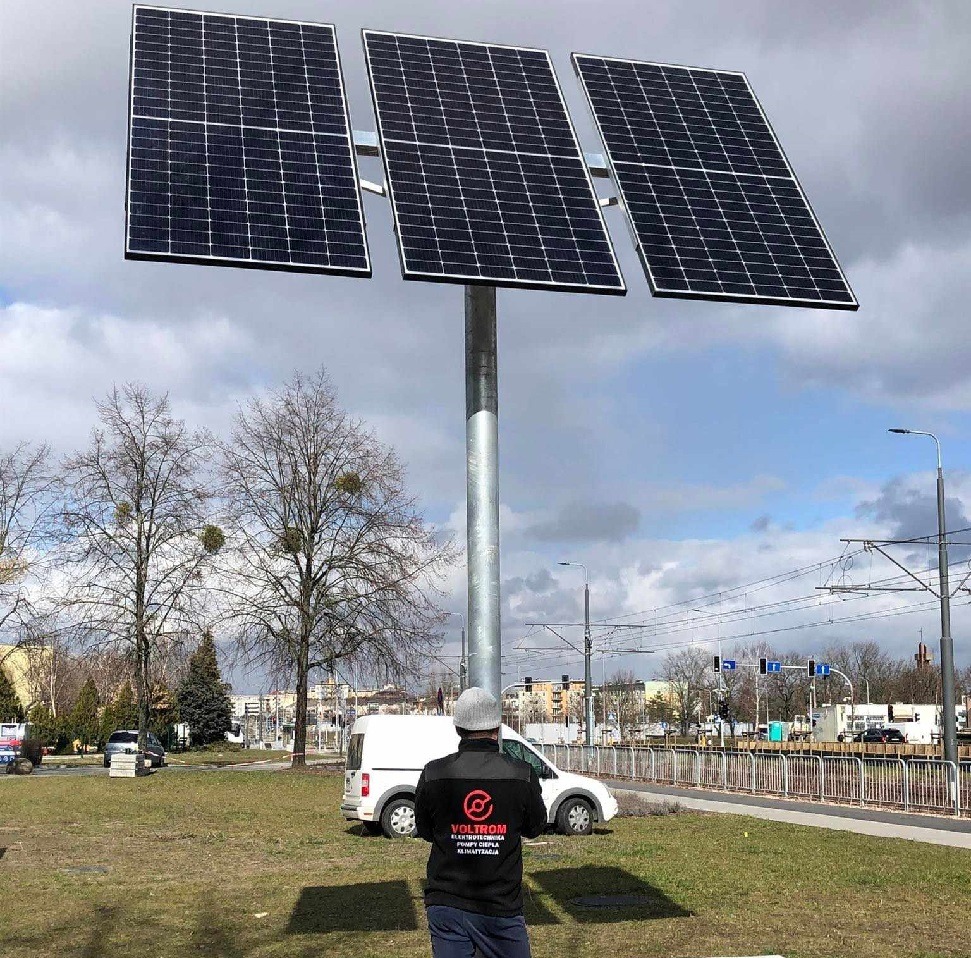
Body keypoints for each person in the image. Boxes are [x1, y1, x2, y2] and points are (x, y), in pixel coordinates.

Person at [414, 687, 547, 958]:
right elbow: (535, 827)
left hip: (446, 904)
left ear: (458, 728)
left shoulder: (433, 774)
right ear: (496, 728)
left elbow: (426, 831)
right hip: (500, 907)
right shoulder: (521, 774)